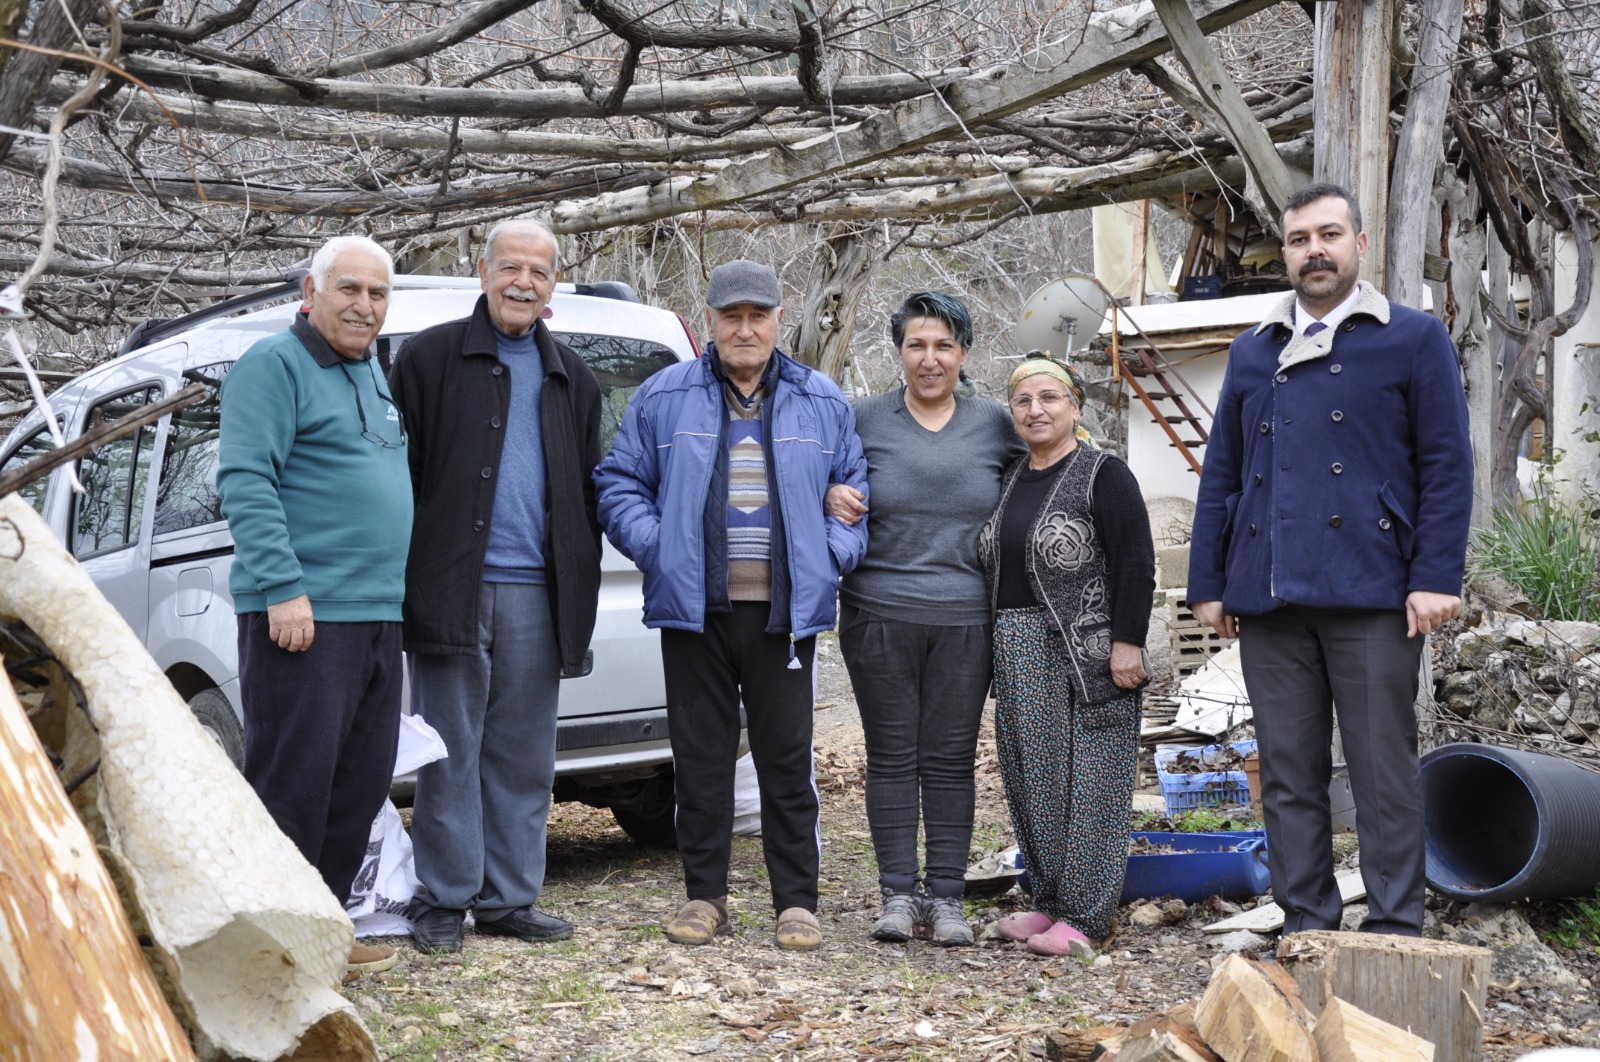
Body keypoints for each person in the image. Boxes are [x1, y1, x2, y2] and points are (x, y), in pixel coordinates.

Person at [1187, 182, 1472, 937]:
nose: (1314, 250)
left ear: (1359, 245)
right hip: (1271, 595)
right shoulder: (1254, 349)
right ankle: (1308, 926)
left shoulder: (1412, 337)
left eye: (1329, 235)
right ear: (1284, 252)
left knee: (1382, 772)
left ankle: (1393, 930)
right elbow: (1223, 471)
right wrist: (1209, 584)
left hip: (1373, 588)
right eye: (1299, 239)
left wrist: (1436, 576)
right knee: (1287, 774)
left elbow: (1447, 464)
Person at [594, 259, 868, 951]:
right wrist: (659, 549)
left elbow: (855, 496)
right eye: (730, 316)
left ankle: (796, 903)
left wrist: (828, 556)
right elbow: (618, 484)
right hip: (695, 609)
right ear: (711, 321)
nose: (744, 329)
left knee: (785, 758)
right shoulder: (663, 396)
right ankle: (704, 897)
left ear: (780, 318)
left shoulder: (822, 399)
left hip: (783, 615)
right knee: (701, 760)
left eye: (758, 315)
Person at [389, 219, 603, 953]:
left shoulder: (572, 375)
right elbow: (398, 480)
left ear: (553, 285)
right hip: (451, 585)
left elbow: (583, 490)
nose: (523, 282)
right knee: (450, 749)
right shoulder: (428, 359)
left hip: (538, 595)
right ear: (481, 271)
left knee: (523, 754)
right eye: (511, 267)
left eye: (539, 272)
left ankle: (510, 899)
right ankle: (445, 899)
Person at [217, 234, 411, 979]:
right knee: (294, 787)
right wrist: (282, 587)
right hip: (305, 615)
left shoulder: (372, 372)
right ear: (312, 289)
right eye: (350, 289)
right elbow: (245, 480)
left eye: (377, 293)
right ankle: (270, 955)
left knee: (358, 785)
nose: (365, 305)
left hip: (375, 614)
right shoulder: (276, 365)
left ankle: (322, 939)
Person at [825, 291, 1023, 946]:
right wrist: (830, 491)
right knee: (890, 757)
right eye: (917, 344)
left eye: (943, 345)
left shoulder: (996, 424)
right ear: (900, 351)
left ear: (963, 353)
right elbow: (818, 477)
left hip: (968, 621)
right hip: (878, 614)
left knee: (948, 759)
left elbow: (1038, 491)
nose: (929, 359)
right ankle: (896, 896)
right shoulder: (862, 420)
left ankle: (946, 899)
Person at [977, 356, 1154, 958]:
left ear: (1075, 406)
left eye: (1050, 397)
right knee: (1035, 780)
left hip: (1088, 651)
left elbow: (1136, 560)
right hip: (1017, 649)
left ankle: (1089, 915)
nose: (1036, 410)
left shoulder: (1104, 473)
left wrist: (1129, 640)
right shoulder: (1009, 477)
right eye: (1023, 401)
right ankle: (1050, 901)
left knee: (1094, 781)